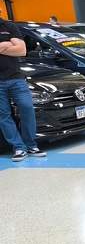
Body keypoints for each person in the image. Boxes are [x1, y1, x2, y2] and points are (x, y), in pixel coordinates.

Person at [0, 18, 44, 162]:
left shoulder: (8, 26)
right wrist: (7, 44)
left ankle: (31, 145)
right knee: (3, 115)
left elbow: (21, 50)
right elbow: (15, 48)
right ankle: (18, 147)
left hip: (16, 78)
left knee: (27, 108)